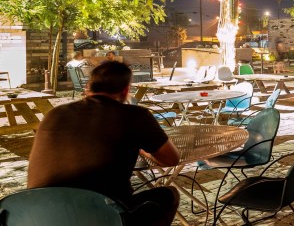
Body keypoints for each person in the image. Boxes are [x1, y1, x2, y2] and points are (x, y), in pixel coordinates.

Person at [27, 62, 180, 226]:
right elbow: (171, 159)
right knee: (168, 195)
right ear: (125, 91)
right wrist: (143, 150)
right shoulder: (134, 115)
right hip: (99, 216)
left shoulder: (54, 114)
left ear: (88, 87)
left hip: (33, 215)